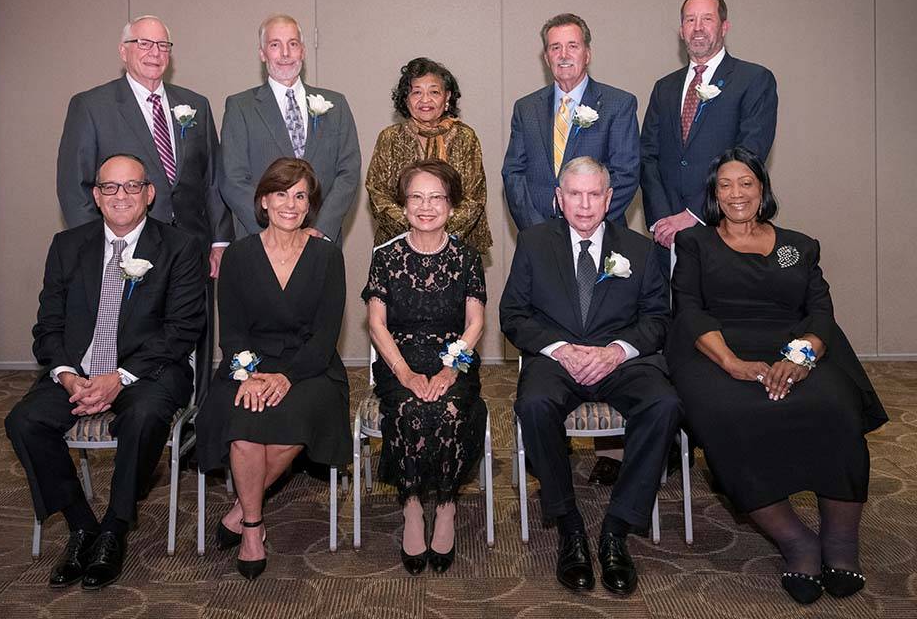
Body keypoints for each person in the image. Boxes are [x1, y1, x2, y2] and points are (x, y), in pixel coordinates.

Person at [665, 147, 887, 604]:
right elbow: (688, 309)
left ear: (762, 189)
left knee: (835, 406)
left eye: (745, 182)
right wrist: (732, 363)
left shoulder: (797, 246)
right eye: (724, 184)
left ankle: (842, 543)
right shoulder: (695, 243)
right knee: (731, 414)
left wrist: (801, 358)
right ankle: (797, 543)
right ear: (713, 195)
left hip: (794, 350)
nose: (736, 193)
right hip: (718, 351)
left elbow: (820, 311)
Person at [5, 154, 205, 590]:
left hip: (148, 372)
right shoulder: (67, 246)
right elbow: (48, 325)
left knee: (144, 417)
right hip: (78, 371)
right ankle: (81, 525)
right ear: (96, 196)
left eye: (132, 186)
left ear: (150, 194)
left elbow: (183, 329)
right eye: (110, 188)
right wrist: (66, 375)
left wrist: (120, 377)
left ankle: (115, 527)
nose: (121, 196)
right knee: (24, 421)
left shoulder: (179, 247)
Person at [500, 156, 681, 594]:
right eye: (574, 194)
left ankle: (617, 528)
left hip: (620, 362)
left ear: (609, 197)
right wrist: (560, 349)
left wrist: (616, 351)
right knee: (534, 403)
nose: (584, 205)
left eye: (593, 194)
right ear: (559, 199)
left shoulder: (638, 249)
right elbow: (513, 315)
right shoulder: (534, 242)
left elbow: (658, 318)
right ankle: (569, 524)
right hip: (557, 362)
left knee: (665, 404)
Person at [56, 15, 232, 399]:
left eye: (163, 45)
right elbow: (75, 186)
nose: (155, 53)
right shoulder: (92, 106)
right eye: (144, 44)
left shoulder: (195, 104)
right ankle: (126, 409)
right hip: (124, 249)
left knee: (193, 335)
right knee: (128, 339)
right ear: (123, 51)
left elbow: (212, 179)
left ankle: (194, 429)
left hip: (190, 249)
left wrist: (220, 241)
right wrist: (101, 248)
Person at [195, 158, 350, 580]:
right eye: (281, 193)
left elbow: (324, 336)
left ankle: (241, 510)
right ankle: (252, 528)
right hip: (248, 362)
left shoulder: (327, 256)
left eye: (300, 196)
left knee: (295, 422)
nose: (290, 204)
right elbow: (234, 331)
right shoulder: (240, 256)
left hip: (310, 367)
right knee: (244, 423)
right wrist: (249, 375)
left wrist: (284, 377)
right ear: (263, 200)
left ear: (310, 205)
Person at [362, 160, 488, 576]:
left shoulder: (468, 258)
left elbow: (475, 324)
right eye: (416, 197)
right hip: (399, 359)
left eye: (436, 197)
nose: (426, 206)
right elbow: (376, 324)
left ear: (452, 206)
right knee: (409, 409)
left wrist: (450, 370)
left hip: (455, 357)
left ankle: (447, 505)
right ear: (403, 204)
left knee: (449, 408)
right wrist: (404, 373)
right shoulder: (385, 256)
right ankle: (413, 505)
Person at [640, 0, 777, 276]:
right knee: (670, 317)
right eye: (690, 20)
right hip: (667, 239)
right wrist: (662, 219)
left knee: (721, 319)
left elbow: (748, 156)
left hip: (724, 227)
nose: (698, 27)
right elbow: (647, 156)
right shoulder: (664, 88)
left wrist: (693, 214)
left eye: (707, 19)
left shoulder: (753, 80)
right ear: (681, 31)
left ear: (724, 27)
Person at [220, 14, 360, 243]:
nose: (285, 53)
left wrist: (321, 228)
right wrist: (271, 231)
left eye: (292, 44)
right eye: (275, 45)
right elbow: (232, 178)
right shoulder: (240, 107)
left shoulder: (337, 105)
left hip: (320, 241)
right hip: (261, 240)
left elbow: (349, 172)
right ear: (262, 54)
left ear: (303, 51)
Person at [503, 13, 639, 231]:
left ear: (587, 54)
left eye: (572, 46)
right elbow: (513, 174)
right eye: (555, 47)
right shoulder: (526, 108)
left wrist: (586, 225)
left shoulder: (618, 105)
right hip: (539, 236)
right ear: (546, 58)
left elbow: (626, 174)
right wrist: (537, 230)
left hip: (598, 234)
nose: (563, 55)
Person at [366, 57, 492, 252]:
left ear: (447, 96)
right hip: (398, 247)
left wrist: (438, 234)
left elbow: (474, 197)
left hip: (457, 246)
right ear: (405, 99)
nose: (425, 100)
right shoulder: (389, 137)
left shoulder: (465, 137)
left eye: (434, 92)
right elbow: (377, 194)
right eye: (417, 92)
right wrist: (415, 231)